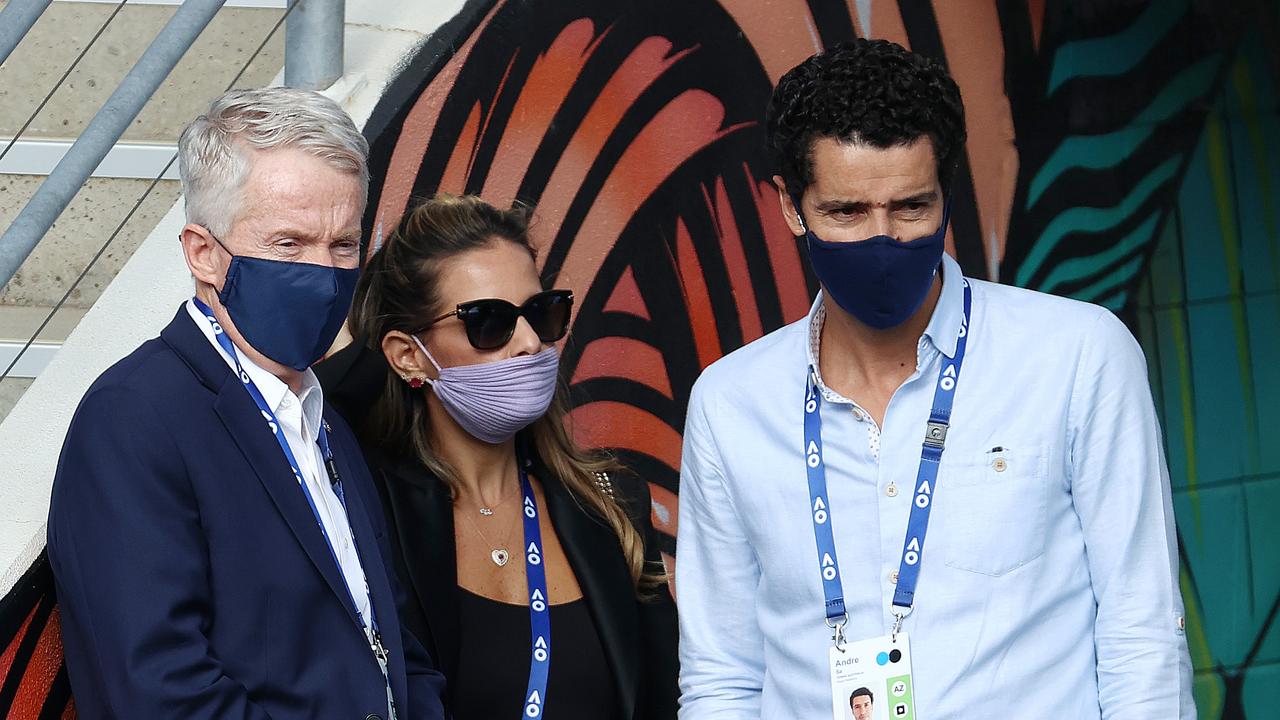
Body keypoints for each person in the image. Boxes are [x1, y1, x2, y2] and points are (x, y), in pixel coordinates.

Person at [676, 38, 1193, 718]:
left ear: (948, 194)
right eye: (846, 213)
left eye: (912, 207)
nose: (882, 239)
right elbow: (723, 677)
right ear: (790, 206)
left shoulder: (1078, 355)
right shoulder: (729, 403)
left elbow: (1143, 634)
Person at [46, 87, 447, 720]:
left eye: (343, 246)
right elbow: (159, 692)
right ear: (203, 253)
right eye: (289, 244)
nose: (324, 272)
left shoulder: (324, 420)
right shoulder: (134, 419)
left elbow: (392, 639)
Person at [316, 194, 680, 719]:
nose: (530, 341)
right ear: (407, 355)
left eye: (541, 312)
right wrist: (380, 351)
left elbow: (663, 701)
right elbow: (315, 404)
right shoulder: (368, 514)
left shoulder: (610, 504)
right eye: (489, 321)